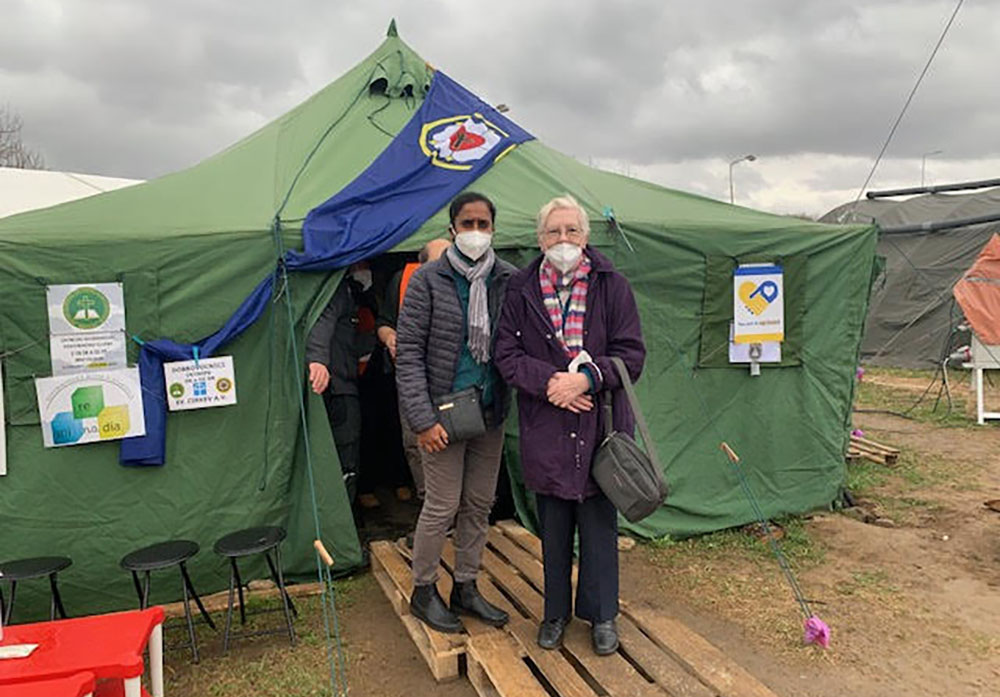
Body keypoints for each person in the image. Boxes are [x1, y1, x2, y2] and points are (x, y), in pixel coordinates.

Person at [494, 194, 645, 656]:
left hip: (601, 427)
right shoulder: (520, 289)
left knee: (600, 525)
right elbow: (507, 356)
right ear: (540, 240)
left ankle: (602, 616)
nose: (563, 240)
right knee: (554, 529)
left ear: (586, 236)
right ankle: (554, 613)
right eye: (554, 232)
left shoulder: (612, 285)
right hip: (546, 427)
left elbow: (631, 356)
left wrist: (586, 379)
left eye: (572, 231)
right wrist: (553, 383)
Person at [395, 192, 515, 633]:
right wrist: (422, 420)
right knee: (442, 505)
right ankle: (423, 590)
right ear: (452, 229)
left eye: (484, 224)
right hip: (441, 414)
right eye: (468, 224)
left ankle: (465, 586)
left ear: (494, 229)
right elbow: (407, 355)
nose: (476, 232)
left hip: (488, 411)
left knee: (479, 504)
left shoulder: (507, 278)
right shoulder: (427, 280)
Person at [376, 238, 452, 502]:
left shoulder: (467, 284)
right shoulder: (402, 282)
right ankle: (429, 503)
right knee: (415, 441)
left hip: (454, 383)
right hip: (413, 379)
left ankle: (456, 509)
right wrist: (390, 338)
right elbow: (383, 322)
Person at [306, 262, 378, 510]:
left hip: (343, 381)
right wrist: (318, 359)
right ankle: (340, 527)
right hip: (337, 388)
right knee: (344, 461)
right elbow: (323, 320)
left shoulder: (351, 291)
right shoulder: (335, 289)